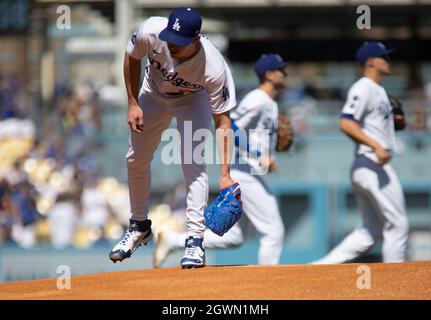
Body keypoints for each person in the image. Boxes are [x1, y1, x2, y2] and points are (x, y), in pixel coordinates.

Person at [109, 7, 237, 269]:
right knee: (135, 159)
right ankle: (139, 226)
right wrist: (132, 103)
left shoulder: (213, 68)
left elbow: (223, 123)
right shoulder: (150, 31)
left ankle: (194, 240)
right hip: (153, 93)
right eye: (170, 37)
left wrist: (225, 175)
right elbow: (131, 57)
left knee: (193, 164)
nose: (171, 45)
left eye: (179, 42)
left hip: (193, 99)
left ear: (195, 39)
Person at [153, 54, 288, 267]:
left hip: (250, 171)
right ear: (270, 75)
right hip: (244, 172)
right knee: (273, 231)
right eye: (282, 71)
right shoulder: (258, 99)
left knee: (234, 237)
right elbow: (231, 127)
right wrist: (258, 153)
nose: (286, 74)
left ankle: (174, 240)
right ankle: (268, 286)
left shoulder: (269, 102)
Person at [312, 42, 409, 264]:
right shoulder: (363, 87)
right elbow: (346, 123)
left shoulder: (379, 90)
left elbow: (372, 123)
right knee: (398, 224)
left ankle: (320, 268)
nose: (388, 61)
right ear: (371, 61)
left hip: (370, 165)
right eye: (384, 57)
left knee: (371, 230)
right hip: (371, 163)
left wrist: (395, 122)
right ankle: (397, 282)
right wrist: (376, 145)